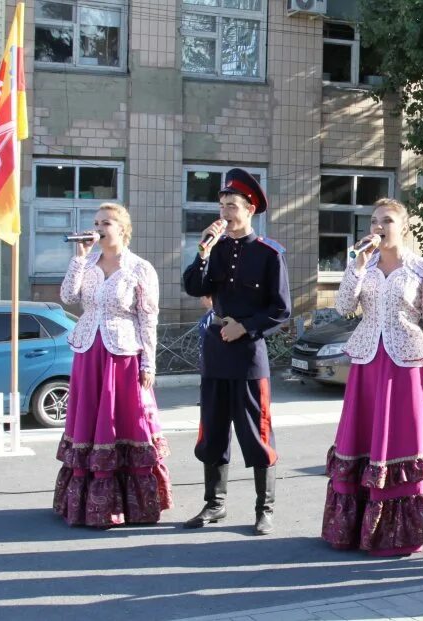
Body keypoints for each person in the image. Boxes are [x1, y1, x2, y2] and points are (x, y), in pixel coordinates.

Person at [321, 198, 423, 556]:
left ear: (405, 227)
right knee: (362, 439)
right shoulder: (363, 264)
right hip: (367, 362)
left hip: (407, 364)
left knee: (400, 442)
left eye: (388, 221)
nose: (379, 227)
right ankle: (354, 527)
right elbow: (344, 308)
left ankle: (398, 532)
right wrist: (356, 267)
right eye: (374, 221)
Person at [182, 168, 291, 536]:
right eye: (222, 205)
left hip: (247, 356)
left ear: (250, 209)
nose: (225, 212)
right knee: (212, 431)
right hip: (215, 354)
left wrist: (244, 326)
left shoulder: (268, 254)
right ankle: (214, 504)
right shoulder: (215, 249)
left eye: (233, 206)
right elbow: (195, 287)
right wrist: (202, 251)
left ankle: (266, 509)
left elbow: (281, 309)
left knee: (256, 434)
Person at [54, 202, 172, 528]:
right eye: (96, 222)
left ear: (122, 229)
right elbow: (68, 296)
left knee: (124, 422)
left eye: (106, 222)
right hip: (89, 352)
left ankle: (130, 503)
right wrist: (78, 258)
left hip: (122, 355)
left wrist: (149, 363)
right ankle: (86, 501)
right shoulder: (86, 262)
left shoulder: (140, 268)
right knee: (88, 422)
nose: (99, 227)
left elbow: (148, 320)